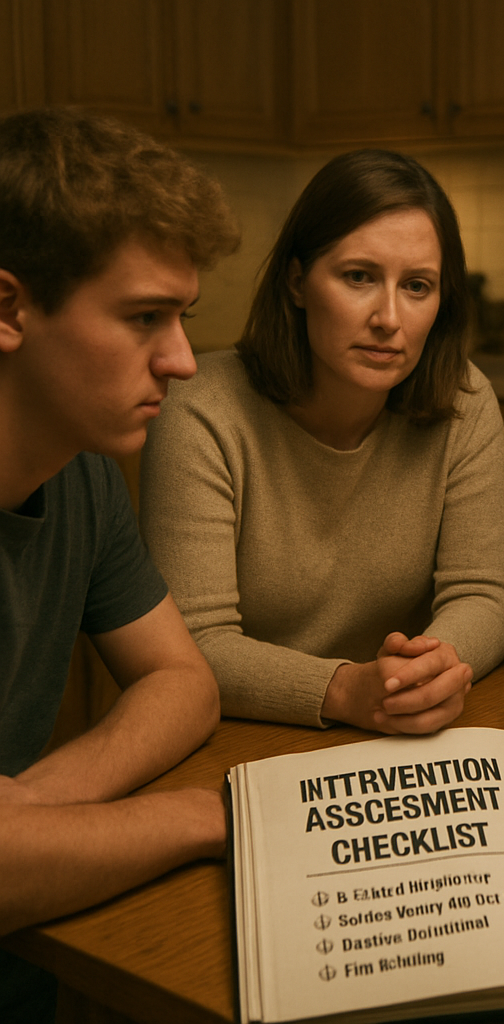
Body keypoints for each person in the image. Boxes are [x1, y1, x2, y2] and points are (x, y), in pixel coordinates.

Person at [140, 150, 504, 734]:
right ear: (297, 282)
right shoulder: (201, 408)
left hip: (410, 729)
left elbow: (483, 594)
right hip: (240, 731)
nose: (389, 318)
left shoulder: (464, 400)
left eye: (417, 286)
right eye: (359, 277)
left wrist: (430, 671)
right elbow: (193, 643)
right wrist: (344, 689)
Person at [0, 108, 240, 1020]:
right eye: (144, 318)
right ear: (8, 309)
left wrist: (34, 806)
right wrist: (204, 818)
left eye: (182, 318)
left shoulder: (83, 472)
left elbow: (183, 682)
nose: (182, 361)